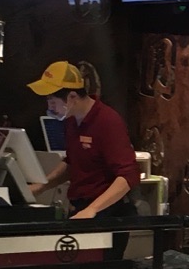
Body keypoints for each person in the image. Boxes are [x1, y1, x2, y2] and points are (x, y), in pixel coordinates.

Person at [26, 60, 140, 222]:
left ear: (72, 97)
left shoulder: (107, 121)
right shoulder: (70, 120)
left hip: (107, 212)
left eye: (53, 102)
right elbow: (72, 162)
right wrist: (41, 186)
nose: (50, 108)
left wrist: (92, 210)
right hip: (80, 207)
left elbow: (128, 175)